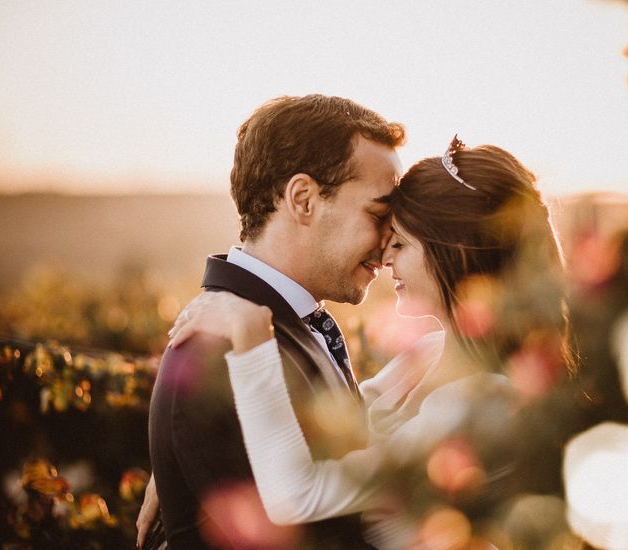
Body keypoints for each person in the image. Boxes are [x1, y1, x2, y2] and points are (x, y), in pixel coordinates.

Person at [151, 138, 572, 548]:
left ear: (457, 253)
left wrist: (250, 339)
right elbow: (332, 424)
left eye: (402, 243)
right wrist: (185, 458)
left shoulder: (482, 399)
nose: (385, 257)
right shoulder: (427, 355)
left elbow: (299, 495)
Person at [142, 94, 405, 549]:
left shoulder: (294, 323)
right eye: (379, 215)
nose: (389, 242)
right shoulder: (219, 354)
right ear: (303, 199)